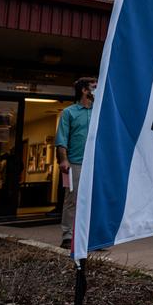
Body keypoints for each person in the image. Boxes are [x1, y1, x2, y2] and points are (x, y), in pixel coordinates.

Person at [56, 76, 97, 250]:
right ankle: (68, 236)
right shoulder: (69, 112)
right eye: (94, 87)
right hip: (76, 163)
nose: (97, 90)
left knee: (94, 201)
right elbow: (62, 138)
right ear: (84, 90)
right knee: (72, 200)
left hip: (96, 163)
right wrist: (63, 159)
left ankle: (92, 238)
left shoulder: (99, 111)